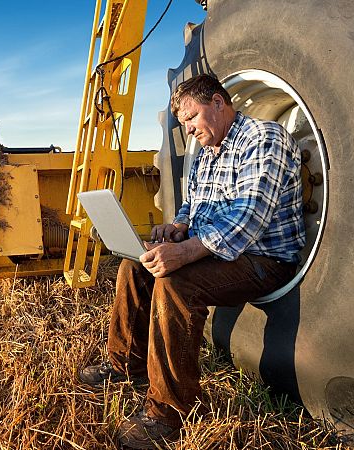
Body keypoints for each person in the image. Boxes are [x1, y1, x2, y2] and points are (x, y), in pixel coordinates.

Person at [78, 74, 306, 449]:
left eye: (191, 117)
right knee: (134, 268)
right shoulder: (207, 151)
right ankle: (124, 367)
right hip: (218, 253)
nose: (187, 129)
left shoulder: (264, 138)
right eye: (182, 122)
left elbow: (249, 216)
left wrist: (184, 253)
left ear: (219, 102)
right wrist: (179, 227)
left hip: (263, 258)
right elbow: (193, 203)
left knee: (175, 282)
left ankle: (169, 411)